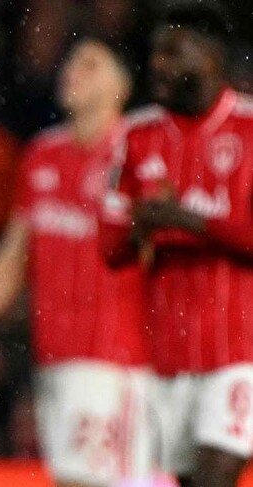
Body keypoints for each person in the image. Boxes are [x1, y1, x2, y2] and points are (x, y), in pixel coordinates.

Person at [0, 38, 154, 487]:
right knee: (72, 480)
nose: (71, 72)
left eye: (90, 65)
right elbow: (16, 254)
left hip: (117, 361)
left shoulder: (141, 157)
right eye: (70, 62)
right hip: (53, 355)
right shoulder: (42, 155)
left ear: (122, 86)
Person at [99, 4, 253, 487]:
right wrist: (140, 225)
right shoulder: (138, 134)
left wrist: (185, 219)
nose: (157, 65)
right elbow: (110, 248)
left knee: (215, 477)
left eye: (172, 53)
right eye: (155, 53)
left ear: (211, 58)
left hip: (240, 351)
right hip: (168, 354)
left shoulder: (250, 129)